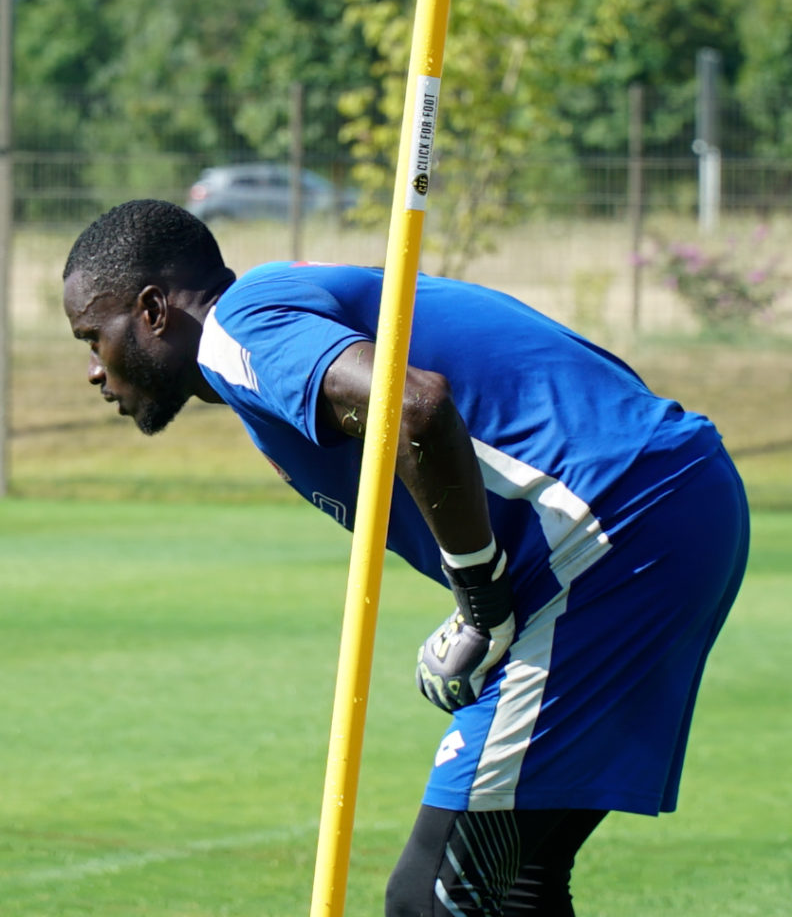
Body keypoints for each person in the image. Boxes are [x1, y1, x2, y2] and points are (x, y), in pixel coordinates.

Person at [63, 198, 749, 917]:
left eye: (92, 336)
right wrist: (485, 593)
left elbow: (411, 406)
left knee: (431, 897)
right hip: (664, 504)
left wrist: (481, 603)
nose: (92, 368)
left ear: (151, 310)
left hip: (619, 527)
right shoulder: (278, 317)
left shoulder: (240, 332)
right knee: (513, 884)